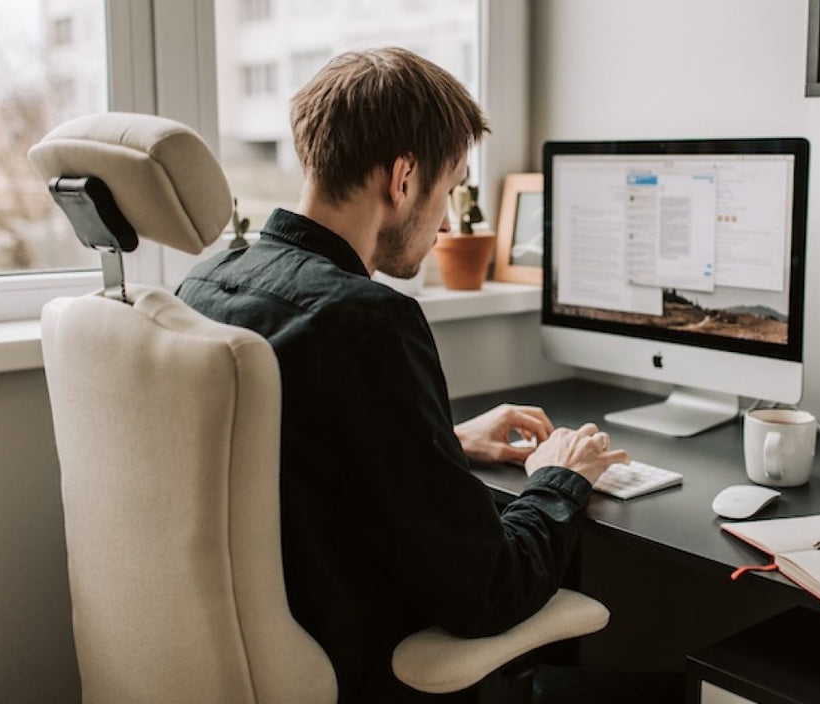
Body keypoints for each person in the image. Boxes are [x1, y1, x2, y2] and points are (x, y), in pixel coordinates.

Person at [176, 47, 629, 702]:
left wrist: (445, 437)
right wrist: (561, 476)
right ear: (404, 177)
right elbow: (488, 592)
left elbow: (286, 451)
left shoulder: (211, 279)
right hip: (357, 664)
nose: (448, 220)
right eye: (449, 190)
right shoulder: (366, 323)